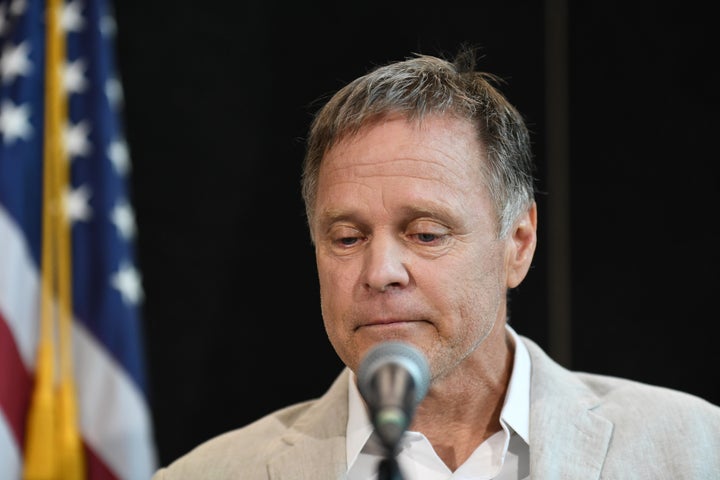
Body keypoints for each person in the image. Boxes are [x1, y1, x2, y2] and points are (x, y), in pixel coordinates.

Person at [152, 46, 720, 479]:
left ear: (518, 242)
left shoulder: (694, 449)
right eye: (346, 239)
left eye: (425, 233)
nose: (381, 272)